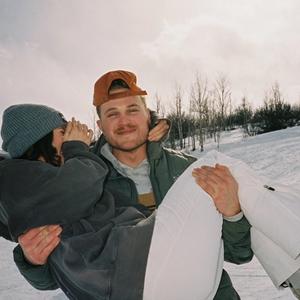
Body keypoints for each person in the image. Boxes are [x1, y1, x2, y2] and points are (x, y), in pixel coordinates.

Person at [10, 70, 253, 299]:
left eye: (132, 109)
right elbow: (58, 274)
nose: (124, 121)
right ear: (100, 126)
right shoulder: (78, 177)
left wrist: (233, 213)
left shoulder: (190, 170)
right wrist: (32, 260)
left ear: (149, 115)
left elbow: (239, 253)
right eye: (112, 113)